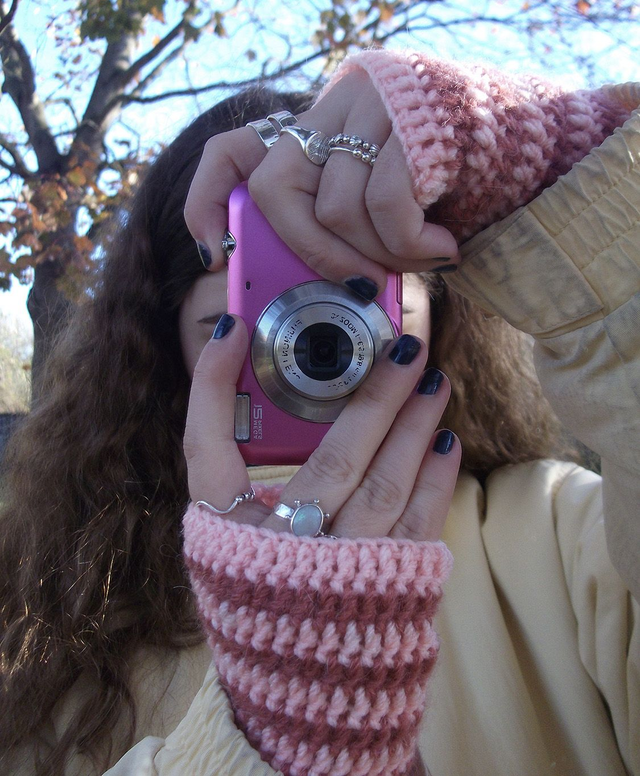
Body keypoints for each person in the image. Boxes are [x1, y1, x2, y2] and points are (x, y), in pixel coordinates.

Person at [0, 50, 637, 776]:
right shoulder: (63, 607)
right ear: (161, 342)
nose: (313, 347)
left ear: (437, 311)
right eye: (232, 324)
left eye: (355, 305)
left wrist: (584, 203)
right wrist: (269, 742)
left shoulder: (567, 531)